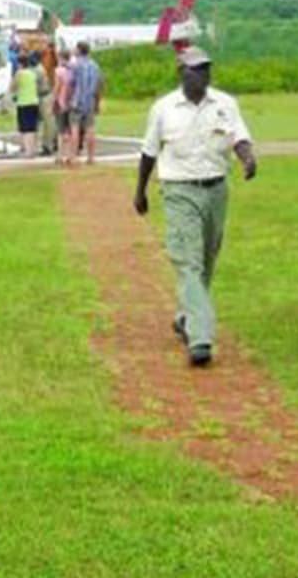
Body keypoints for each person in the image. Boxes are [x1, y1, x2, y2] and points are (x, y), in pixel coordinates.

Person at [133, 46, 256, 367]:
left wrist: (248, 158)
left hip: (216, 189)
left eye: (205, 69)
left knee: (206, 259)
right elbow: (149, 152)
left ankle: (186, 316)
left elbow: (239, 136)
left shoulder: (225, 104)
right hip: (178, 190)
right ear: (181, 73)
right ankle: (200, 338)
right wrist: (140, 191)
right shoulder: (163, 108)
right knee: (189, 262)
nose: (202, 74)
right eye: (195, 69)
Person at [68, 41, 103, 164]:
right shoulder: (95, 65)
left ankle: (73, 157)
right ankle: (91, 157)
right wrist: (98, 102)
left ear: (79, 50)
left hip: (77, 101)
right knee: (90, 129)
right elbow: (99, 84)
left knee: (74, 129)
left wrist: (68, 99)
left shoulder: (75, 65)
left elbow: (71, 83)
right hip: (90, 101)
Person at [12, 53, 40, 158]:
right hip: (33, 101)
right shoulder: (32, 73)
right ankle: (32, 149)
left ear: (19, 63)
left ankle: (27, 151)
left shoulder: (19, 73)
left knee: (25, 128)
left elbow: (13, 87)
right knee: (32, 128)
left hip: (23, 102)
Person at [52, 49, 74, 165]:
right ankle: (70, 155)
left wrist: (53, 100)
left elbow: (57, 87)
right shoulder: (73, 70)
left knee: (60, 130)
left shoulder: (59, 71)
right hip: (72, 103)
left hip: (61, 103)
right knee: (70, 130)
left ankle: (60, 155)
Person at [31, 50, 54, 155]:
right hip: (40, 96)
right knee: (39, 122)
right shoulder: (36, 68)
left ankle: (48, 146)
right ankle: (40, 145)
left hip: (44, 96)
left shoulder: (38, 70)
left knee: (47, 123)